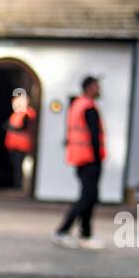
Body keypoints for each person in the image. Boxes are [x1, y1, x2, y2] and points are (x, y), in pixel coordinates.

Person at [53, 76, 107, 249]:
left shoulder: (77, 105)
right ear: (89, 88)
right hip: (90, 159)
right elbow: (94, 135)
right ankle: (62, 231)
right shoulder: (88, 107)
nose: (99, 90)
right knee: (88, 197)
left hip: (80, 158)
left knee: (89, 197)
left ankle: (86, 234)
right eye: (97, 87)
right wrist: (98, 158)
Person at [3, 86, 36, 190]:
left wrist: (11, 127)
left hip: (22, 146)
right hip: (13, 145)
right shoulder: (16, 114)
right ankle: (16, 184)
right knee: (15, 165)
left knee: (19, 166)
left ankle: (19, 185)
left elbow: (23, 126)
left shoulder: (28, 113)